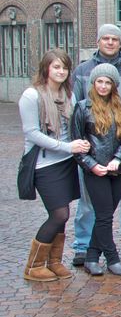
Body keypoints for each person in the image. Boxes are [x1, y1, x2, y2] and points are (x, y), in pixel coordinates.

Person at [71, 24, 121, 266]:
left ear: (120, 42)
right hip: (92, 150)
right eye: (105, 38)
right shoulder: (84, 70)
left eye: (114, 39)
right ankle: (83, 246)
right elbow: (75, 107)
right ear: (98, 41)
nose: (110, 42)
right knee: (88, 202)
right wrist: (80, 147)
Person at [19, 49, 89, 281]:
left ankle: (54, 261)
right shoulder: (32, 95)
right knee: (59, 214)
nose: (60, 71)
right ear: (46, 69)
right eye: (56, 67)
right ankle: (34, 265)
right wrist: (67, 147)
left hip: (66, 163)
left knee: (63, 214)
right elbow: (32, 133)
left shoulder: (67, 95)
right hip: (44, 164)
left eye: (64, 67)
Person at [70, 64, 121, 276]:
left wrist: (118, 159)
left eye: (108, 82)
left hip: (119, 169)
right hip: (95, 170)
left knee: (105, 216)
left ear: (114, 85)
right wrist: (92, 165)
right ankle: (112, 257)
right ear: (93, 82)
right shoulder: (82, 107)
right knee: (104, 215)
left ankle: (91, 257)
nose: (103, 86)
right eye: (100, 81)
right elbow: (77, 143)